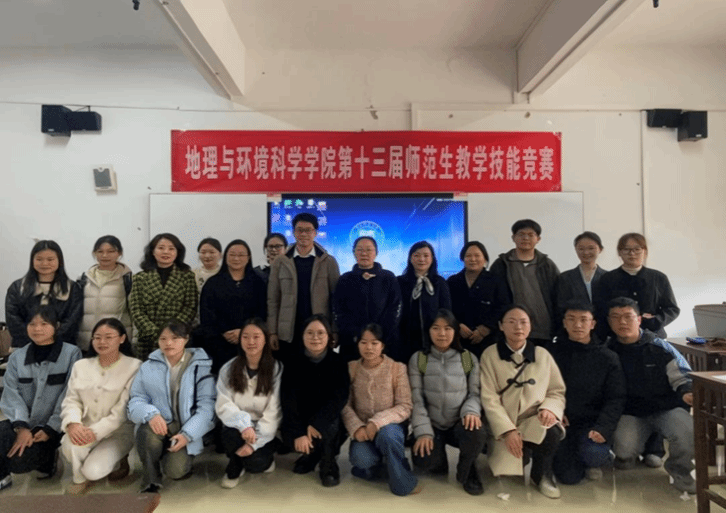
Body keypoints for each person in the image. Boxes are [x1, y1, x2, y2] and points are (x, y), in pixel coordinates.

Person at [606, 297, 695, 494]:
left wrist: (687, 391)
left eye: (628, 316)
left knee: (688, 434)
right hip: (631, 413)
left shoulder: (660, 346)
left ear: (639, 319)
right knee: (623, 450)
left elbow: (683, 375)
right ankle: (636, 450)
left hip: (667, 409)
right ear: (609, 321)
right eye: (616, 317)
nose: (622, 322)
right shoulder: (608, 350)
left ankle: (680, 472)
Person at [479, 305, 566, 499]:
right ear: (501, 326)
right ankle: (520, 453)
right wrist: (508, 430)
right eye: (511, 322)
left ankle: (542, 474)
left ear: (530, 326)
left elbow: (556, 391)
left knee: (551, 429)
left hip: (532, 419)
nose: (518, 327)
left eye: (523, 322)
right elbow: (489, 398)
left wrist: (549, 409)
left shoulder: (543, 355)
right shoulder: (490, 355)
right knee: (506, 471)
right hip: (504, 421)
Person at [127, 319, 216, 494]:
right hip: (159, 422)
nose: (168, 343)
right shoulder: (148, 366)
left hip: (186, 426)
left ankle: (171, 456)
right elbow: (136, 399)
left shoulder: (201, 366)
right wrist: (151, 414)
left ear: (186, 339)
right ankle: (150, 480)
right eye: (163, 339)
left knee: (175, 471)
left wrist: (188, 434)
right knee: (146, 434)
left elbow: (207, 407)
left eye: (175, 338)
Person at [0, 306, 82, 492]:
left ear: (56, 326)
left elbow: (70, 394)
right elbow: (11, 394)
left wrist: (50, 428)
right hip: (25, 422)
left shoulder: (72, 354)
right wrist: (22, 427)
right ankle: (2, 476)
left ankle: (48, 460)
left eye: (44, 324)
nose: (37, 329)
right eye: (32, 324)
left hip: (54, 426)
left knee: (20, 462)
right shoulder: (17, 357)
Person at [409, 310, 487, 496]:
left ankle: (468, 469)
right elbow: (416, 400)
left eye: (448, 328)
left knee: (476, 431)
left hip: (458, 423)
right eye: (436, 328)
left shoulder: (467, 358)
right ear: (428, 331)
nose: (442, 334)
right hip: (433, 424)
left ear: (455, 331)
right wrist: (423, 432)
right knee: (425, 462)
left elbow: (475, 394)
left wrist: (471, 411)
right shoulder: (419, 358)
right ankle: (439, 459)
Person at [60, 318, 141, 494]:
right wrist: (73, 424)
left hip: (118, 432)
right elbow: (72, 400)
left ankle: (118, 460)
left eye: (108, 337)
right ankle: (80, 479)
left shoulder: (134, 366)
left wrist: (96, 432)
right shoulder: (80, 366)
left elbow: (122, 410)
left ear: (122, 338)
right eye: (97, 337)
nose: (102, 342)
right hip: (84, 426)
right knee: (68, 446)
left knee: (94, 471)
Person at [549, 302, 625, 485]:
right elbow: (542, 389)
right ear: (564, 323)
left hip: (592, 422)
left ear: (593, 324)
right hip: (562, 421)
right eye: (572, 319)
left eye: (584, 320)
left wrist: (603, 427)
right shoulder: (550, 353)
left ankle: (593, 458)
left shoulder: (607, 357)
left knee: (594, 454)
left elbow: (616, 397)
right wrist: (555, 411)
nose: (578, 325)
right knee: (568, 477)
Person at [342, 323, 419, 496]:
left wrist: (377, 422)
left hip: (390, 427)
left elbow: (405, 405)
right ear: (358, 344)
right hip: (363, 430)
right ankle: (389, 463)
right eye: (363, 342)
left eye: (374, 343)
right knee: (361, 459)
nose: (369, 347)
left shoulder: (397, 368)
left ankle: (403, 484)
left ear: (382, 345)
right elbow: (345, 405)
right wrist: (356, 427)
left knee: (388, 436)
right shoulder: (351, 368)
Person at [280, 314, 349, 487]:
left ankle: (328, 463)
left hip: (326, 419)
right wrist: (299, 432)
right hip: (301, 419)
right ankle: (311, 455)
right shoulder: (292, 361)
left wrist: (317, 423)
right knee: (291, 437)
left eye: (320, 333)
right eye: (309, 333)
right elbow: (288, 400)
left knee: (331, 426)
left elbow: (339, 397)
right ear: (302, 336)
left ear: (329, 336)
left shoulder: (338, 361)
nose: (315, 338)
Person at [216, 318, 281, 488]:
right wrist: (244, 425)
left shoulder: (276, 369)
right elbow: (224, 404)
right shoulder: (229, 368)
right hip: (239, 426)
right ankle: (235, 464)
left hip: (264, 427)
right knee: (229, 435)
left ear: (265, 339)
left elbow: (274, 411)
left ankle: (264, 456)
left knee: (256, 464)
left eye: (256, 337)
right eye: (245, 337)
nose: (251, 342)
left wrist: (254, 444)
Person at [267, 213, 340, 362]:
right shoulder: (280, 262)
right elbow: (273, 300)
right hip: (288, 332)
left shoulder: (328, 262)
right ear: (294, 232)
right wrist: (272, 331)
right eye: (299, 230)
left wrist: (334, 329)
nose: (304, 234)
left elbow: (336, 300)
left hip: (318, 333)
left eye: (308, 230)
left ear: (315, 233)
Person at [199, 239, 267, 374]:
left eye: (241, 255)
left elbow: (262, 312)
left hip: (251, 342)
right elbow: (206, 314)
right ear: (225, 257)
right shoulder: (213, 283)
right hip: (219, 343)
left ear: (248, 258)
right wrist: (224, 332)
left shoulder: (258, 283)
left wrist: (243, 332)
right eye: (232, 254)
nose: (236, 258)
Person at [490, 220, 560, 348]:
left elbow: (558, 297)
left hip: (543, 330)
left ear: (538, 239)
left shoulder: (547, 265)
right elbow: (493, 298)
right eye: (521, 234)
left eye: (530, 235)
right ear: (513, 238)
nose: (525, 238)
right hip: (512, 331)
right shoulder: (501, 264)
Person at [595, 233, 679, 339]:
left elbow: (672, 309)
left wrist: (655, 320)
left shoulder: (658, 277)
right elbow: (600, 309)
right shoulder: (607, 278)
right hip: (618, 338)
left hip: (653, 336)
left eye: (637, 249)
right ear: (619, 252)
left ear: (645, 251)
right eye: (626, 249)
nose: (632, 253)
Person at [128, 233, 198, 360]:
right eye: (161, 248)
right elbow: (136, 310)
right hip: (148, 339)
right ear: (153, 251)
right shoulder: (140, 278)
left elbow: (190, 308)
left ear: (178, 252)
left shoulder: (187, 276)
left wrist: (171, 333)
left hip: (177, 338)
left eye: (171, 248)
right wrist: (157, 334)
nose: (166, 252)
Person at [334, 236, 402, 362]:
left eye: (368, 250)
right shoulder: (345, 279)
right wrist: (357, 335)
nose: (364, 253)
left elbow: (395, 308)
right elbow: (339, 310)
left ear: (376, 253)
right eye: (359, 250)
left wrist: (380, 335)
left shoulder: (388, 278)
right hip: (353, 342)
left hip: (384, 341)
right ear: (354, 252)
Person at [5, 240, 83, 348]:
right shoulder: (17, 287)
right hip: (24, 347)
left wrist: (51, 341)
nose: (45, 263)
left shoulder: (73, 288)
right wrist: (35, 340)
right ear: (32, 261)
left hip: (62, 348)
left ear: (59, 261)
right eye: (39, 259)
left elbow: (72, 322)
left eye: (50, 259)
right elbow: (13, 321)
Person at [447, 241, 510, 357]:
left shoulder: (496, 281)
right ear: (463, 259)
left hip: (488, 340)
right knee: (463, 367)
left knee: (486, 367)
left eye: (477, 255)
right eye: (468, 256)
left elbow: (503, 307)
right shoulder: (453, 281)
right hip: (459, 339)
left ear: (485, 259)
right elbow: (446, 307)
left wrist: (485, 329)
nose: (473, 259)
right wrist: (457, 325)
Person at [397, 241, 451, 363]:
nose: (421, 259)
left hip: (433, 341)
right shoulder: (399, 282)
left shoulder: (440, 283)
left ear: (432, 259)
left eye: (426, 255)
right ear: (410, 258)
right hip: (405, 341)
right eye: (416, 255)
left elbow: (446, 314)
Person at [77, 235, 133, 352]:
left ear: (119, 253)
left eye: (111, 251)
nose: (105, 255)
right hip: (87, 341)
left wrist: (135, 340)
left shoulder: (128, 279)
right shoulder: (84, 279)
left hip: (116, 342)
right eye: (100, 251)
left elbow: (134, 313)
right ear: (94, 253)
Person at [555, 231, 606, 318]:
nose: (586, 252)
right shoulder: (565, 278)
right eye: (581, 249)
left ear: (600, 249)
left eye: (591, 248)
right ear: (576, 250)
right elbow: (560, 307)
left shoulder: (608, 277)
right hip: (576, 324)